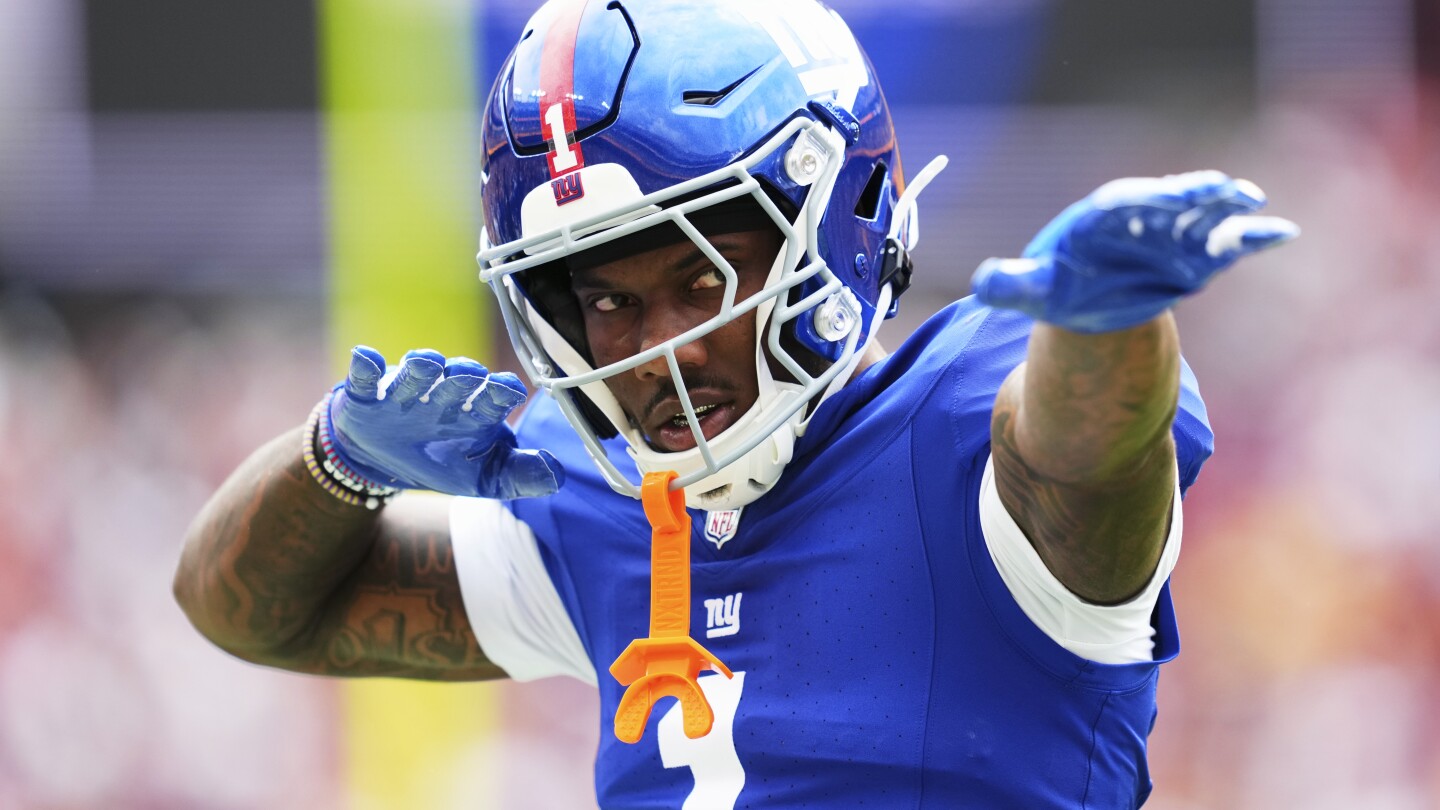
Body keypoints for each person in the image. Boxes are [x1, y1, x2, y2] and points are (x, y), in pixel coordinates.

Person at [174, 0, 1297, 806]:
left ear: (838, 228)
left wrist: (1104, 321)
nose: (656, 350)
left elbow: (1082, 454)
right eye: (607, 299)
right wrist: (337, 458)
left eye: (703, 279)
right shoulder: (595, 504)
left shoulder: (961, 443)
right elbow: (248, 611)